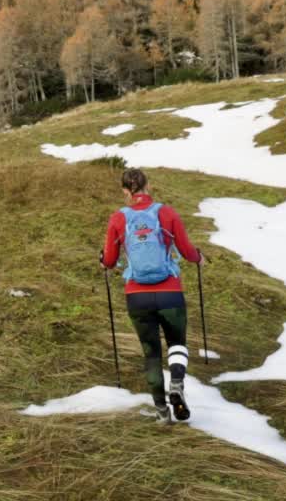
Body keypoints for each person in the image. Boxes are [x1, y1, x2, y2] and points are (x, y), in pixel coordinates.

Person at [101, 168, 205, 423]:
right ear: (149, 185)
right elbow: (186, 250)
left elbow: (111, 261)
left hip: (137, 296)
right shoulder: (166, 213)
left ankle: (162, 413)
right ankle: (177, 384)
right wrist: (199, 258)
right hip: (170, 292)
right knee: (177, 344)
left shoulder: (118, 219)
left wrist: (103, 261)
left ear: (125, 191)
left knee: (152, 354)